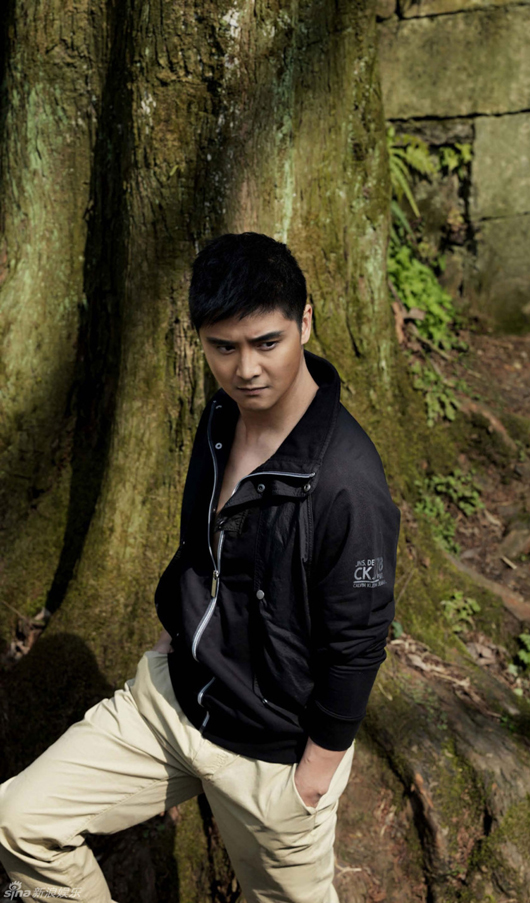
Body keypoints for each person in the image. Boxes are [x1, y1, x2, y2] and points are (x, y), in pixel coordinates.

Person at [0, 232, 401, 903]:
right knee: (20, 821)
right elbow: (200, 548)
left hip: (274, 761)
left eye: (266, 342)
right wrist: (171, 638)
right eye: (224, 347)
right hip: (171, 703)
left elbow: (359, 642)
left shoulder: (348, 482)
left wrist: (311, 780)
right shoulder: (220, 418)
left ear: (305, 322)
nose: (246, 368)